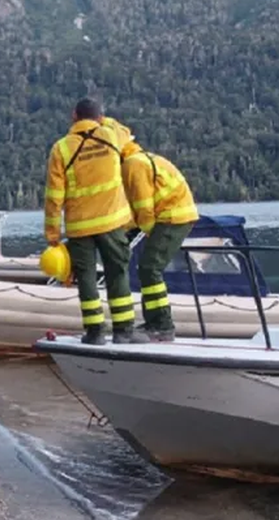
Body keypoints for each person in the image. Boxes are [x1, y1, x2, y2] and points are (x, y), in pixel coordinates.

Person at [45, 98, 147, 345]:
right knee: (117, 273)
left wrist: (52, 234)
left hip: (80, 226)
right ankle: (124, 331)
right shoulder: (110, 135)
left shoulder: (61, 148)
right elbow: (126, 132)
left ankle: (94, 333)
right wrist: (104, 120)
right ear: (100, 117)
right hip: (112, 222)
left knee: (86, 278)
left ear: (73, 116)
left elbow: (54, 196)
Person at [120, 141, 198, 341]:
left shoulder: (132, 165)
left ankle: (162, 325)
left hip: (173, 216)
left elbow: (144, 208)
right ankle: (154, 322)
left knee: (150, 268)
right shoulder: (136, 160)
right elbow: (134, 210)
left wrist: (147, 232)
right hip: (169, 213)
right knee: (147, 268)